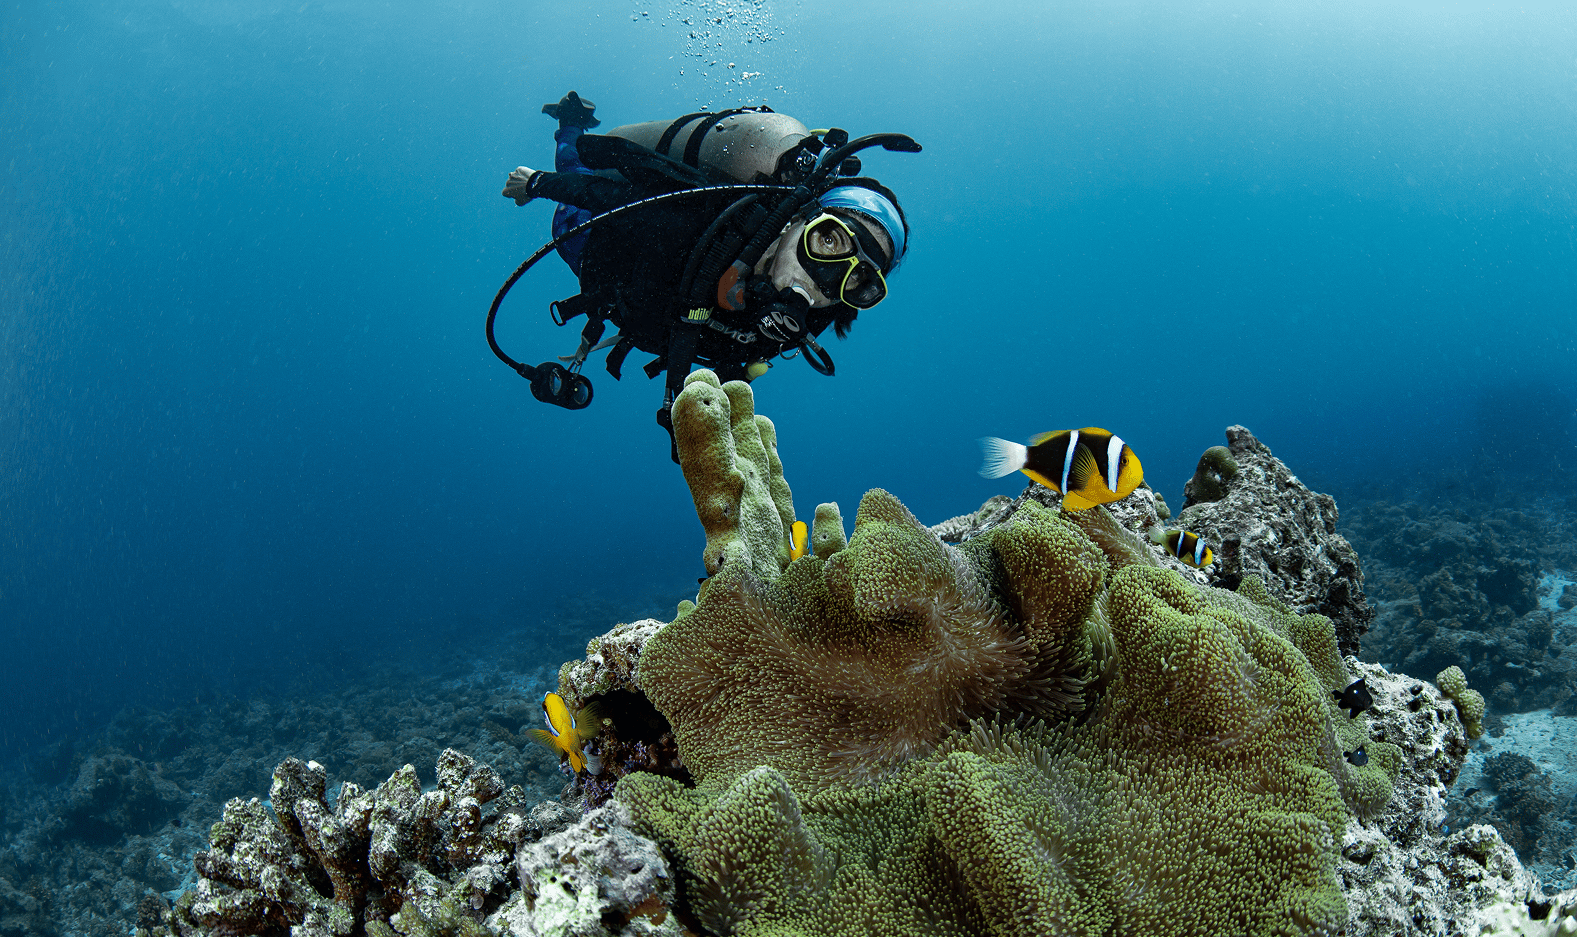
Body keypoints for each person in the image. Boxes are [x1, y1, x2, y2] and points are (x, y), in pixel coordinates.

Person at [493, 91, 918, 460]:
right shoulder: (709, 224)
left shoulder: (808, 322)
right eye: (830, 241)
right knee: (572, 165)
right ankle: (571, 121)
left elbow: (736, 358)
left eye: (859, 280)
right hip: (593, 246)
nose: (824, 279)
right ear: (797, 220)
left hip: (638, 310)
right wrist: (538, 184)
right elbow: (613, 197)